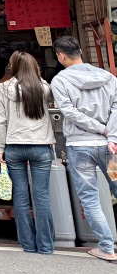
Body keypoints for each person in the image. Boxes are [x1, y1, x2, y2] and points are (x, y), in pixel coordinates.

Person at [50, 36, 117, 262]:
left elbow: (69, 113)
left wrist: (100, 129)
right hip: (110, 146)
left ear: (61, 56)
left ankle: (106, 247)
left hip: (80, 146)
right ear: (80, 51)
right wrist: (110, 133)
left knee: (90, 199)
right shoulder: (108, 77)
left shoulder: (59, 81)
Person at [0, 51, 55, 255]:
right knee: (42, 197)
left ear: (13, 68)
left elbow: (0, 120)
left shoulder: (4, 88)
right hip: (40, 147)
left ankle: (28, 244)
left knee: (20, 197)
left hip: (14, 147)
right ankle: (46, 246)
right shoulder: (45, 88)